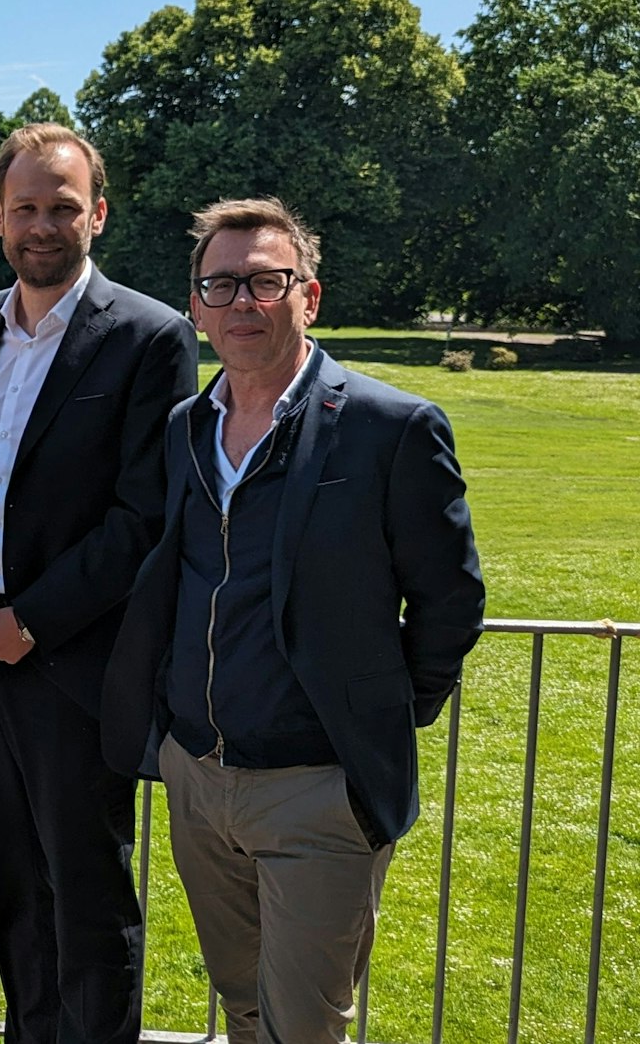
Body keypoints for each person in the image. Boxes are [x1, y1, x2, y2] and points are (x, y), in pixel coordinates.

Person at [102, 197, 484, 1043]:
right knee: (242, 1006)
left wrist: (383, 710)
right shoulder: (185, 428)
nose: (243, 301)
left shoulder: (391, 428)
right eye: (221, 285)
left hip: (318, 787)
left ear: (308, 296)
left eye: (266, 281)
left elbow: (451, 597)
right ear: (196, 307)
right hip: (199, 780)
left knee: (302, 1026)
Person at [0, 122, 197, 1043]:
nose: (43, 225)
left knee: (88, 901)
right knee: (16, 896)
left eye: (63, 207)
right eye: (26, 207)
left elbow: (143, 516)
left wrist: (31, 620)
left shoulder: (150, 336)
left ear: (98, 214)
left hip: (75, 666)